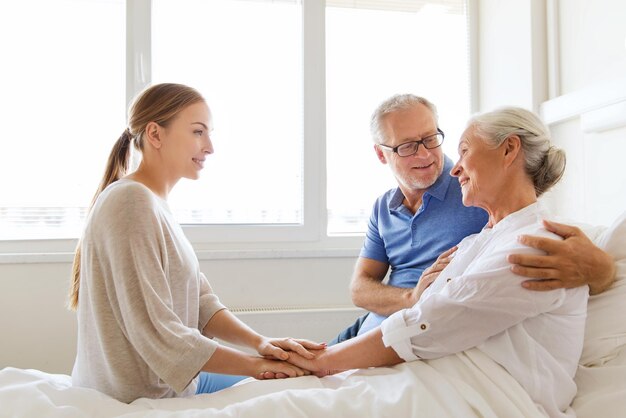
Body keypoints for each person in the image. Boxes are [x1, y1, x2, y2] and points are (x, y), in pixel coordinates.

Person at [288, 106, 589, 418]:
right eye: (406, 146)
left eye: (456, 148)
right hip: (385, 339)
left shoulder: (535, 245)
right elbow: (368, 291)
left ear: (509, 149)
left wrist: (326, 363)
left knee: (285, 399)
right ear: (383, 155)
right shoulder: (477, 240)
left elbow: (432, 323)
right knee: (280, 375)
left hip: (448, 377)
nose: (453, 168)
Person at [68, 83, 323, 403]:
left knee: (298, 382)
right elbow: (158, 331)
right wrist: (255, 367)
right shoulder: (130, 203)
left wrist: (262, 343)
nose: (210, 146)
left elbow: (201, 302)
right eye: (198, 132)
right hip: (139, 394)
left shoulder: (152, 203)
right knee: (291, 391)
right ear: (155, 135)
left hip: (171, 383)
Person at [331, 94, 615, 344]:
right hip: (370, 324)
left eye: (431, 139)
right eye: (407, 146)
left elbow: (534, 223)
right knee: (290, 361)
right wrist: (411, 297)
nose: (427, 154)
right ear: (381, 154)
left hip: (407, 333)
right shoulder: (384, 207)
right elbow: (360, 288)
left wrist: (602, 270)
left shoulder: (475, 188)